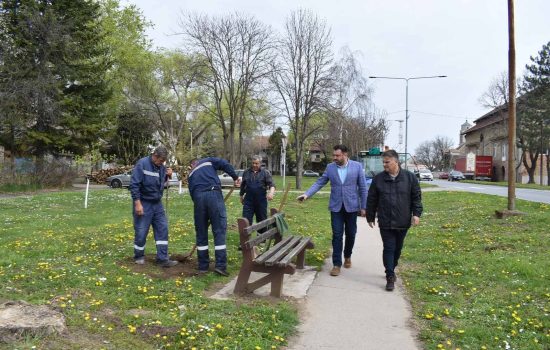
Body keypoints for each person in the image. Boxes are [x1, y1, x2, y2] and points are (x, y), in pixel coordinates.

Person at [297, 144, 367, 277]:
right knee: (337, 235)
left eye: (337, 155)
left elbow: (363, 188)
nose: (334, 157)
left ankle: (347, 256)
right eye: (333, 155)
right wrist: (307, 194)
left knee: (351, 234)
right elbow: (319, 182)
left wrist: (364, 207)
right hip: (336, 207)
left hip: (352, 207)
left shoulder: (357, 166)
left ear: (345, 155)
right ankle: (336, 264)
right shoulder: (330, 168)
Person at [366, 149, 423, 291]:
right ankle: (390, 275)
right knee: (389, 247)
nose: (384, 165)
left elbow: (416, 198)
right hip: (385, 220)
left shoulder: (410, 178)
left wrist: (416, 214)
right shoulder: (378, 179)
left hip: (403, 220)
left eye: (387, 162)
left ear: (396, 161)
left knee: (398, 249)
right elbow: (372, 199)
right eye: (383, 162)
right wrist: (370, 216)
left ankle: (392, 266)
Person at [187, 157, 240, 276]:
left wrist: (202, 208)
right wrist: (235, 177)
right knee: (219, 230)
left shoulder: (190, 175)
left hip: (198, 199)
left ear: (192, 165)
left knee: (201, 231)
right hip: (213, 195)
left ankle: (203, 266)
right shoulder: (208, 161)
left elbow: (192, 195)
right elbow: (225, 163)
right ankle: (220, 266)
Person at [129, 146, 178, 267]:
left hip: (157, 203)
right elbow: (134, 184)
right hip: (144, 202)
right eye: (161, 160)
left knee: (162, 228)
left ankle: (162, 258)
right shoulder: (142, 164)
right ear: (154, 155)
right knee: (141, 230)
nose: (162, 163)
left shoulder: (161, 167)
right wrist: (137, 203)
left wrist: (168, 176)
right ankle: (139, 256)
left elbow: (160, 183)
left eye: (164, 161)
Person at [239, 155, 275, 227]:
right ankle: (246, 238)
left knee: (262, 221)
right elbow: (243, 186)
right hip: (248, 201)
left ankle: (262, 238)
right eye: (253, 163)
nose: (254, 165)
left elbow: (272, 185)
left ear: (260, 163)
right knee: (245, 222)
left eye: (256, 163)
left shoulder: (265, 172)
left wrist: (271, 193)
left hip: (261, 202)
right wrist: (241, 196)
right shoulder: (246, 172)